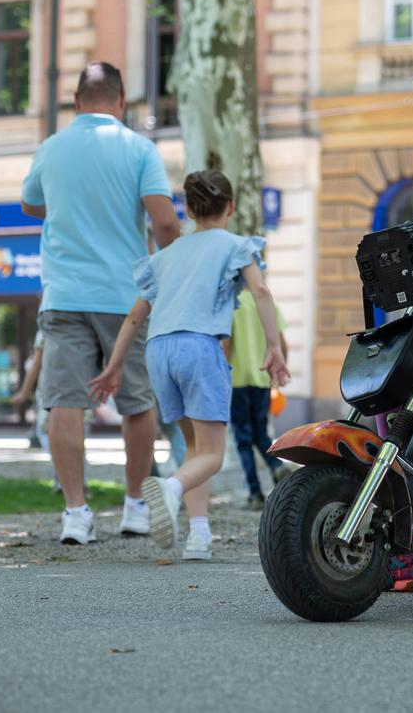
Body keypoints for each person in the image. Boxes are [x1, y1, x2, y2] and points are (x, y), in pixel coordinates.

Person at [87, 170, 290, 562]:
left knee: (195, 447)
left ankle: (199, 536)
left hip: (159, 351)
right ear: (229, 207)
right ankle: (171, 488)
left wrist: (113, 366)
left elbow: (134, 317)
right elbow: (261, 290)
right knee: (212, 454)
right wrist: (274, 347)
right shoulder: (235, 246)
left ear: (189, 209)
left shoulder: (166, 256)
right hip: (199, 347)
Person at [21, 62, 181, 545]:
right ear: (122, 99)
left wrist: (71, 206)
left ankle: (76, 513)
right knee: (137, 400)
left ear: (75, 101)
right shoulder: (138, 149)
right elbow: (166, 223)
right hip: (125, 297)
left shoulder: (51, 148)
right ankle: (134, 506)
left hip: (64, 295)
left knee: (63, 402)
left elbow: (31, 204)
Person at [223, 289, 293, 509]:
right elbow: (283, 345)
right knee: (261, 433)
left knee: (243, 438)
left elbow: (227, 344)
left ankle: (254, 494)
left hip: (237, 380)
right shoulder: (266, 304)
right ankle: (275, 465)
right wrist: (278, 371)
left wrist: (222, 375)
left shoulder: (231, 303)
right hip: (263, 378)